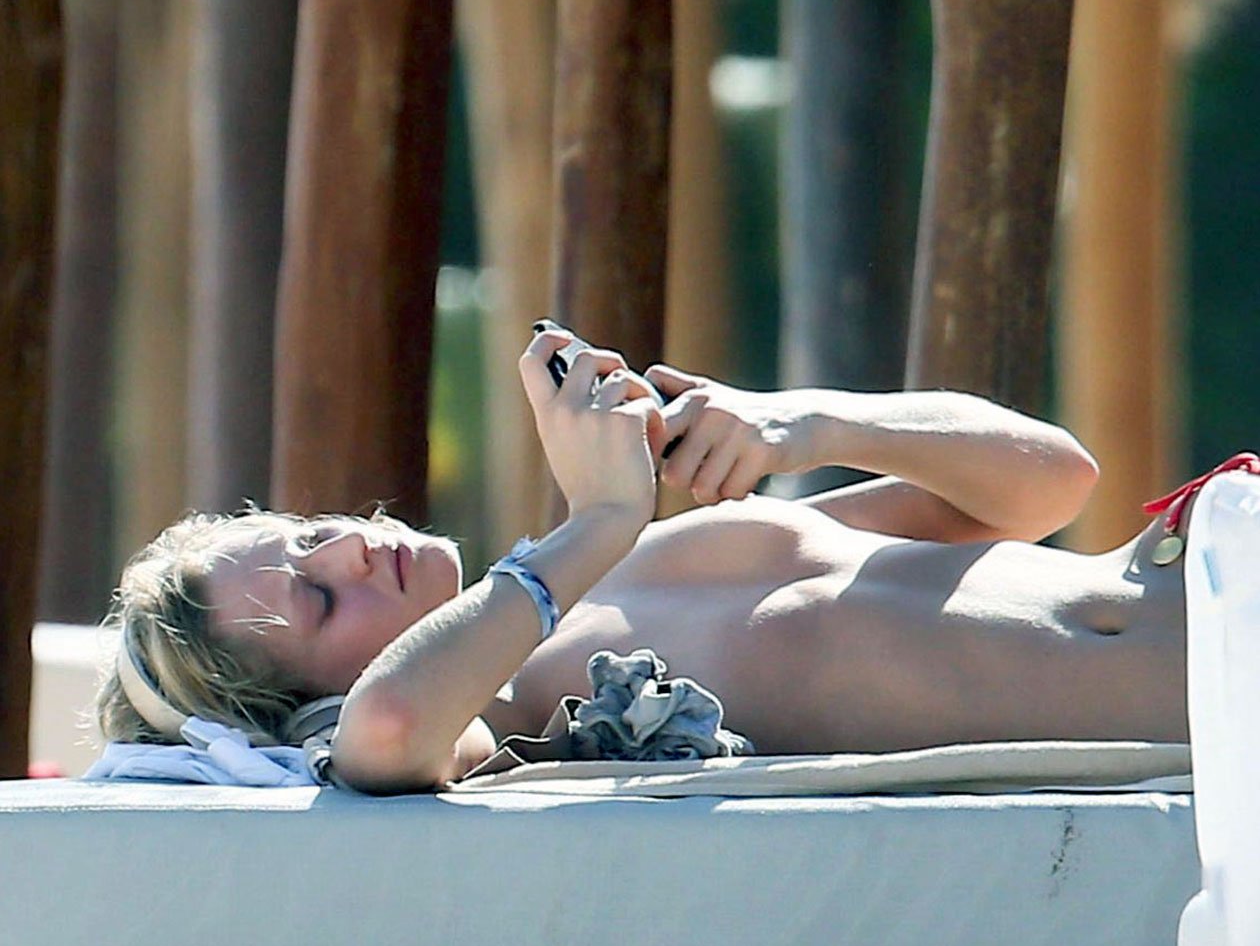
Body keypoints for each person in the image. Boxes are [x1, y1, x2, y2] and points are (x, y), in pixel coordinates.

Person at [98, 326, 1193, 793]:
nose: (346, 544)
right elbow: (387, 733)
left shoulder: (637, 563)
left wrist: (803, 424)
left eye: (305, 535)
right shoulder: (522, 723)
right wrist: (603, 512)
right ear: (312, 709)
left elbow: (1051, 483)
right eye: (314, 596)